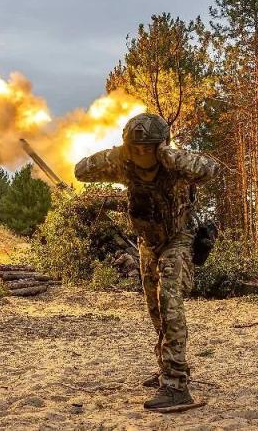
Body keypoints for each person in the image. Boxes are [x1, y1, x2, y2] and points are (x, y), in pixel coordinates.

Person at [74, 113, 219, 410]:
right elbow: (81, 171)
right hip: (148, 245)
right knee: (155, 310)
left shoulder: (175, 166)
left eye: (148, 147)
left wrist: (168, 153)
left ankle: (176, 385)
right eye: (135, 148)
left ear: (161, 146)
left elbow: (211, 168)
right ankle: (168, 366)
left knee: (170, 303)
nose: (142, 154)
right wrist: (119, 152)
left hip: (179, 240)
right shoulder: (125, 165)